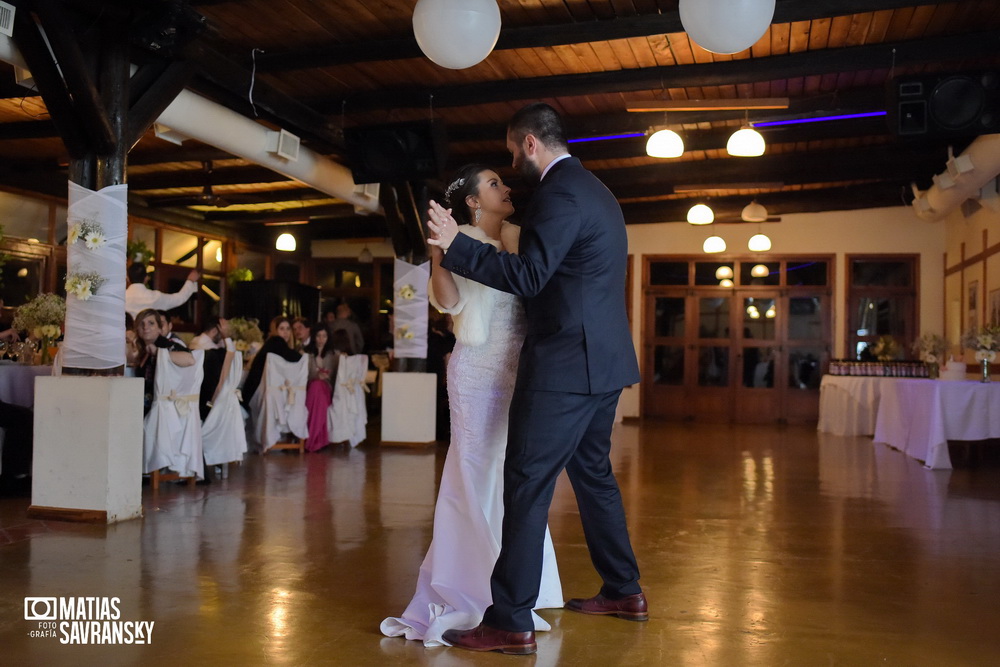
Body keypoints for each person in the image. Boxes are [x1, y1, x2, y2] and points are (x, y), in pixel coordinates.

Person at [426, 103, 645, 656]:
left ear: (528, 144)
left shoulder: (558, 193)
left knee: (524, 484)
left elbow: (529, 275)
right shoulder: (595, 189)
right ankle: (623, 591)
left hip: (567, 367)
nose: (510, 167)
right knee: (593, 475)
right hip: (604, 362)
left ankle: (509, 619)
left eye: (510, 153)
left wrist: (456, 245)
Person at [381, 164, 563, 647]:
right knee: (473, 471)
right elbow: (450, 305)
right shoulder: (457, 238)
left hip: (520, 370)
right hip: (477, 370)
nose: (507, 188)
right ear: (473, 201)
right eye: (495, 184)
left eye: (503, 182)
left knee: (515, 474)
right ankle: (470, 584)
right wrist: (439, 254)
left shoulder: (522, 238)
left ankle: (519, 585)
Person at [133, 308, 196, 416]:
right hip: (146, 408)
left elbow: (190, 359)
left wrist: (159, 352)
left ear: (159, 328)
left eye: (151, 323)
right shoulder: (142, 349)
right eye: (141, 323)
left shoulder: (165, 344)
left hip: (163, 412)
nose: (145, 327)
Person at [241, 316, 302, 409]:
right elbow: (296, 358)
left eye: (288, 329)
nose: (286, 332)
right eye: (281, 329)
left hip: (258, 392)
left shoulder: (271, 344)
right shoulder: (275, 342)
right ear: (275, 330)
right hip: (258, 393)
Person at [303, 322, 341, 452]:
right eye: (318, 336)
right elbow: (303, 375)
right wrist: (316, 376)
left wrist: (324, 377)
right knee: (316, 387)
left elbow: (337, 376)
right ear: (314, 337)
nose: (321, 339)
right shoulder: (306, 353)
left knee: (319, 387)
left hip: (326, 388)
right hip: (311, 387)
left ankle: (314, 437)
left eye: (324, 336)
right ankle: (317, 438)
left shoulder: (334, 355)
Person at [125, 262, 199, 319]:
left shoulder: (120, 298)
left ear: (127, 278)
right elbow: (179, 298)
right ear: (146, 278)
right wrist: (190, 281)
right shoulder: (155, 297)